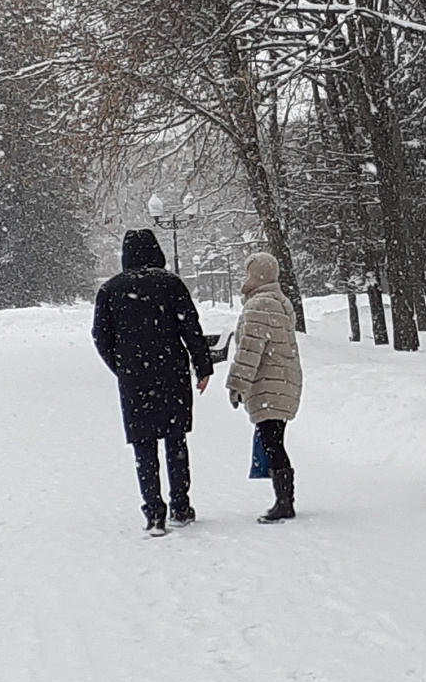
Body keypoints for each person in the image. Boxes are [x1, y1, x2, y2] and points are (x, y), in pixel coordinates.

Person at [92, 228, 214, 534]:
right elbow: (191, 328)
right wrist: (202, 366)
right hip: (172, 373)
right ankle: (180, 506)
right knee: (176, 441)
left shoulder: (110, 290)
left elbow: (100, 337)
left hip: (135, 379)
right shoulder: (171, 285)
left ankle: (154, 512)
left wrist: (121, 367)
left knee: (143, 445)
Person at [226, 252, 302, 522]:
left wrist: (236, 384)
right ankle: (284, 499)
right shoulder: (279, 302)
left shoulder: (260, 305)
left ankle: (284, 502)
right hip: (282, 382)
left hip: (270, 384)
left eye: (249, 273)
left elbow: (250, 351)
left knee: (272, 443)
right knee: (274, 440)